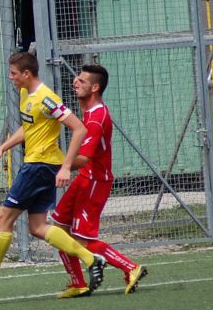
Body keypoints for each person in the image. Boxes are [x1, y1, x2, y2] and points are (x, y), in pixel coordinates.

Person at [0, 51, 106, 302]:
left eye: (14, 74)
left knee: (2, 219)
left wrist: (65, 166)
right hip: (38, 166)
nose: (11, 78)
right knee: (38, 226)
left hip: (39, 166)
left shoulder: (47, 99)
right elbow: (29, 129)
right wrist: (2, 147)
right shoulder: (26, 94)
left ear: (26, 74)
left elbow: (78, 128)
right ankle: (92, 259)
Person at [51, 64, 147, 297]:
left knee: (82, 241)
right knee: (58, 230)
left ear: (95, 87)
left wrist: (52, 165)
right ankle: (78, 283)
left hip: (95, 181)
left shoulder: (96, 117)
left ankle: (130, 267)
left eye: (82, 81)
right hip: (84, 179)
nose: (75, 83)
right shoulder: (88, 111)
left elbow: (83, 158)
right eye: (76, 79)